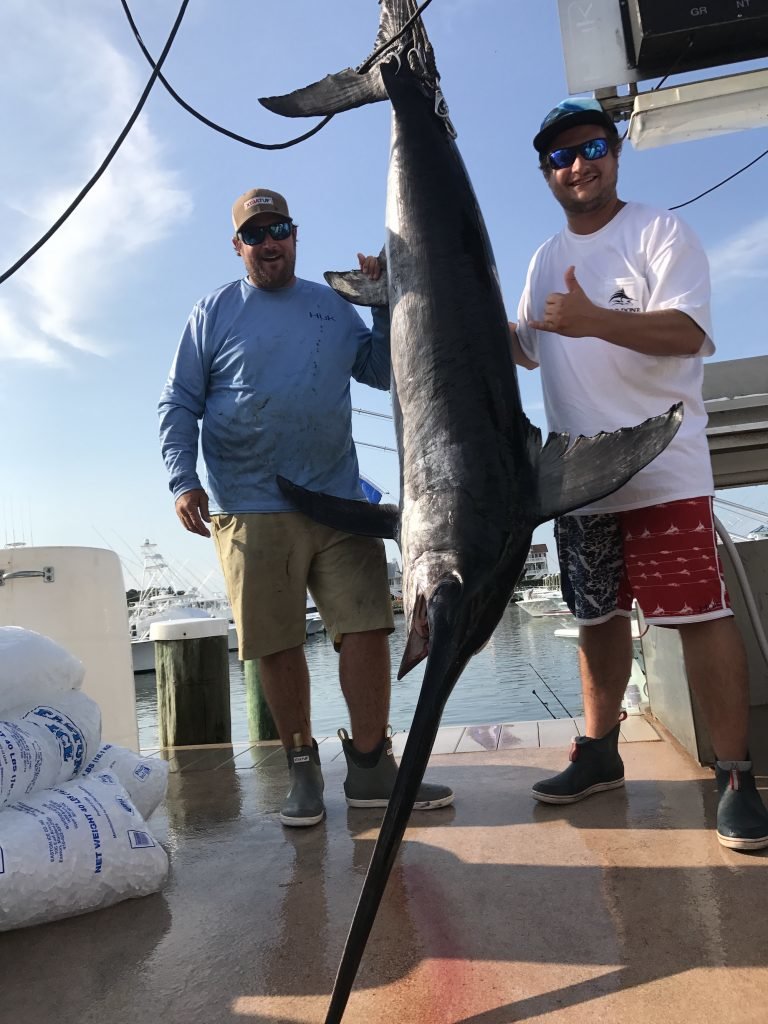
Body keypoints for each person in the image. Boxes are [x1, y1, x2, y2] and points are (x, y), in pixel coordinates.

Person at [509, 98, 768, 851]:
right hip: (579, 478)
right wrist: (421, 303)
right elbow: (523, 347)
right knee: (595, 620)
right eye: (560, 157)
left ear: (615, 152)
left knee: (697, 619)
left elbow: (689, 332)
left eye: (590, 148)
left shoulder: (658, 231)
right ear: (545, 173)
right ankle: (599, 751)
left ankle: (734, 775)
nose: (578, 165)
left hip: (662, 466)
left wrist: (595, 319)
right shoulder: (540, 257)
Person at [159, 187, 453, 827]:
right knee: (277, 640)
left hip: (338, 499)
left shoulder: (331, 306)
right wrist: (184, 479)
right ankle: (301, 767)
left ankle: (372, 767)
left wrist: (378, 306)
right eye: (256, 234)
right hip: (249, 504)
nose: (270, 243)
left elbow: (382, 369)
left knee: (368, 626)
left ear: (296, 235)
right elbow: (178, 403)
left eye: (280, 229)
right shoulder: (212, 313)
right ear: (238, 246)